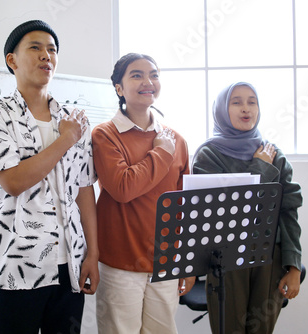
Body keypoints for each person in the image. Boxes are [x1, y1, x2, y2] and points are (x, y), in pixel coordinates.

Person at [0, 19, 99, 334]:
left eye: (52, 50)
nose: (46, 55)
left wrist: (93, 254)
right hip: (15, 267)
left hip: (69, 264)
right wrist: (65, 140)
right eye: (35, 47)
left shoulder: (73, 119)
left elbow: (84, 190)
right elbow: (13, 181)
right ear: (11, 60)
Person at [91, 53, 194, 334]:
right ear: (119, 88)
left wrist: (188, 262)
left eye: (154, 75)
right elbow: (123, 188)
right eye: (136, 75)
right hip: (120, 262)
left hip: (166, 261)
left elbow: (186, 207)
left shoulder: (178, 140)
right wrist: (160, 152)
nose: (148, 81)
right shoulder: (105, 135)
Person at [191, 82, 303, 334]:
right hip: (225, 257)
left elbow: (289, 211)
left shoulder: (274, 153)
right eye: (236, 102)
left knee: (262, 329)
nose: (246, 108)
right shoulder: (209, 155)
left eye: (252, 101)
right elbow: (227, 211)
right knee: (229, 328)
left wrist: (294, 266)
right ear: (222, 109)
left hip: (270, 257)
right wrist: (260, 168)